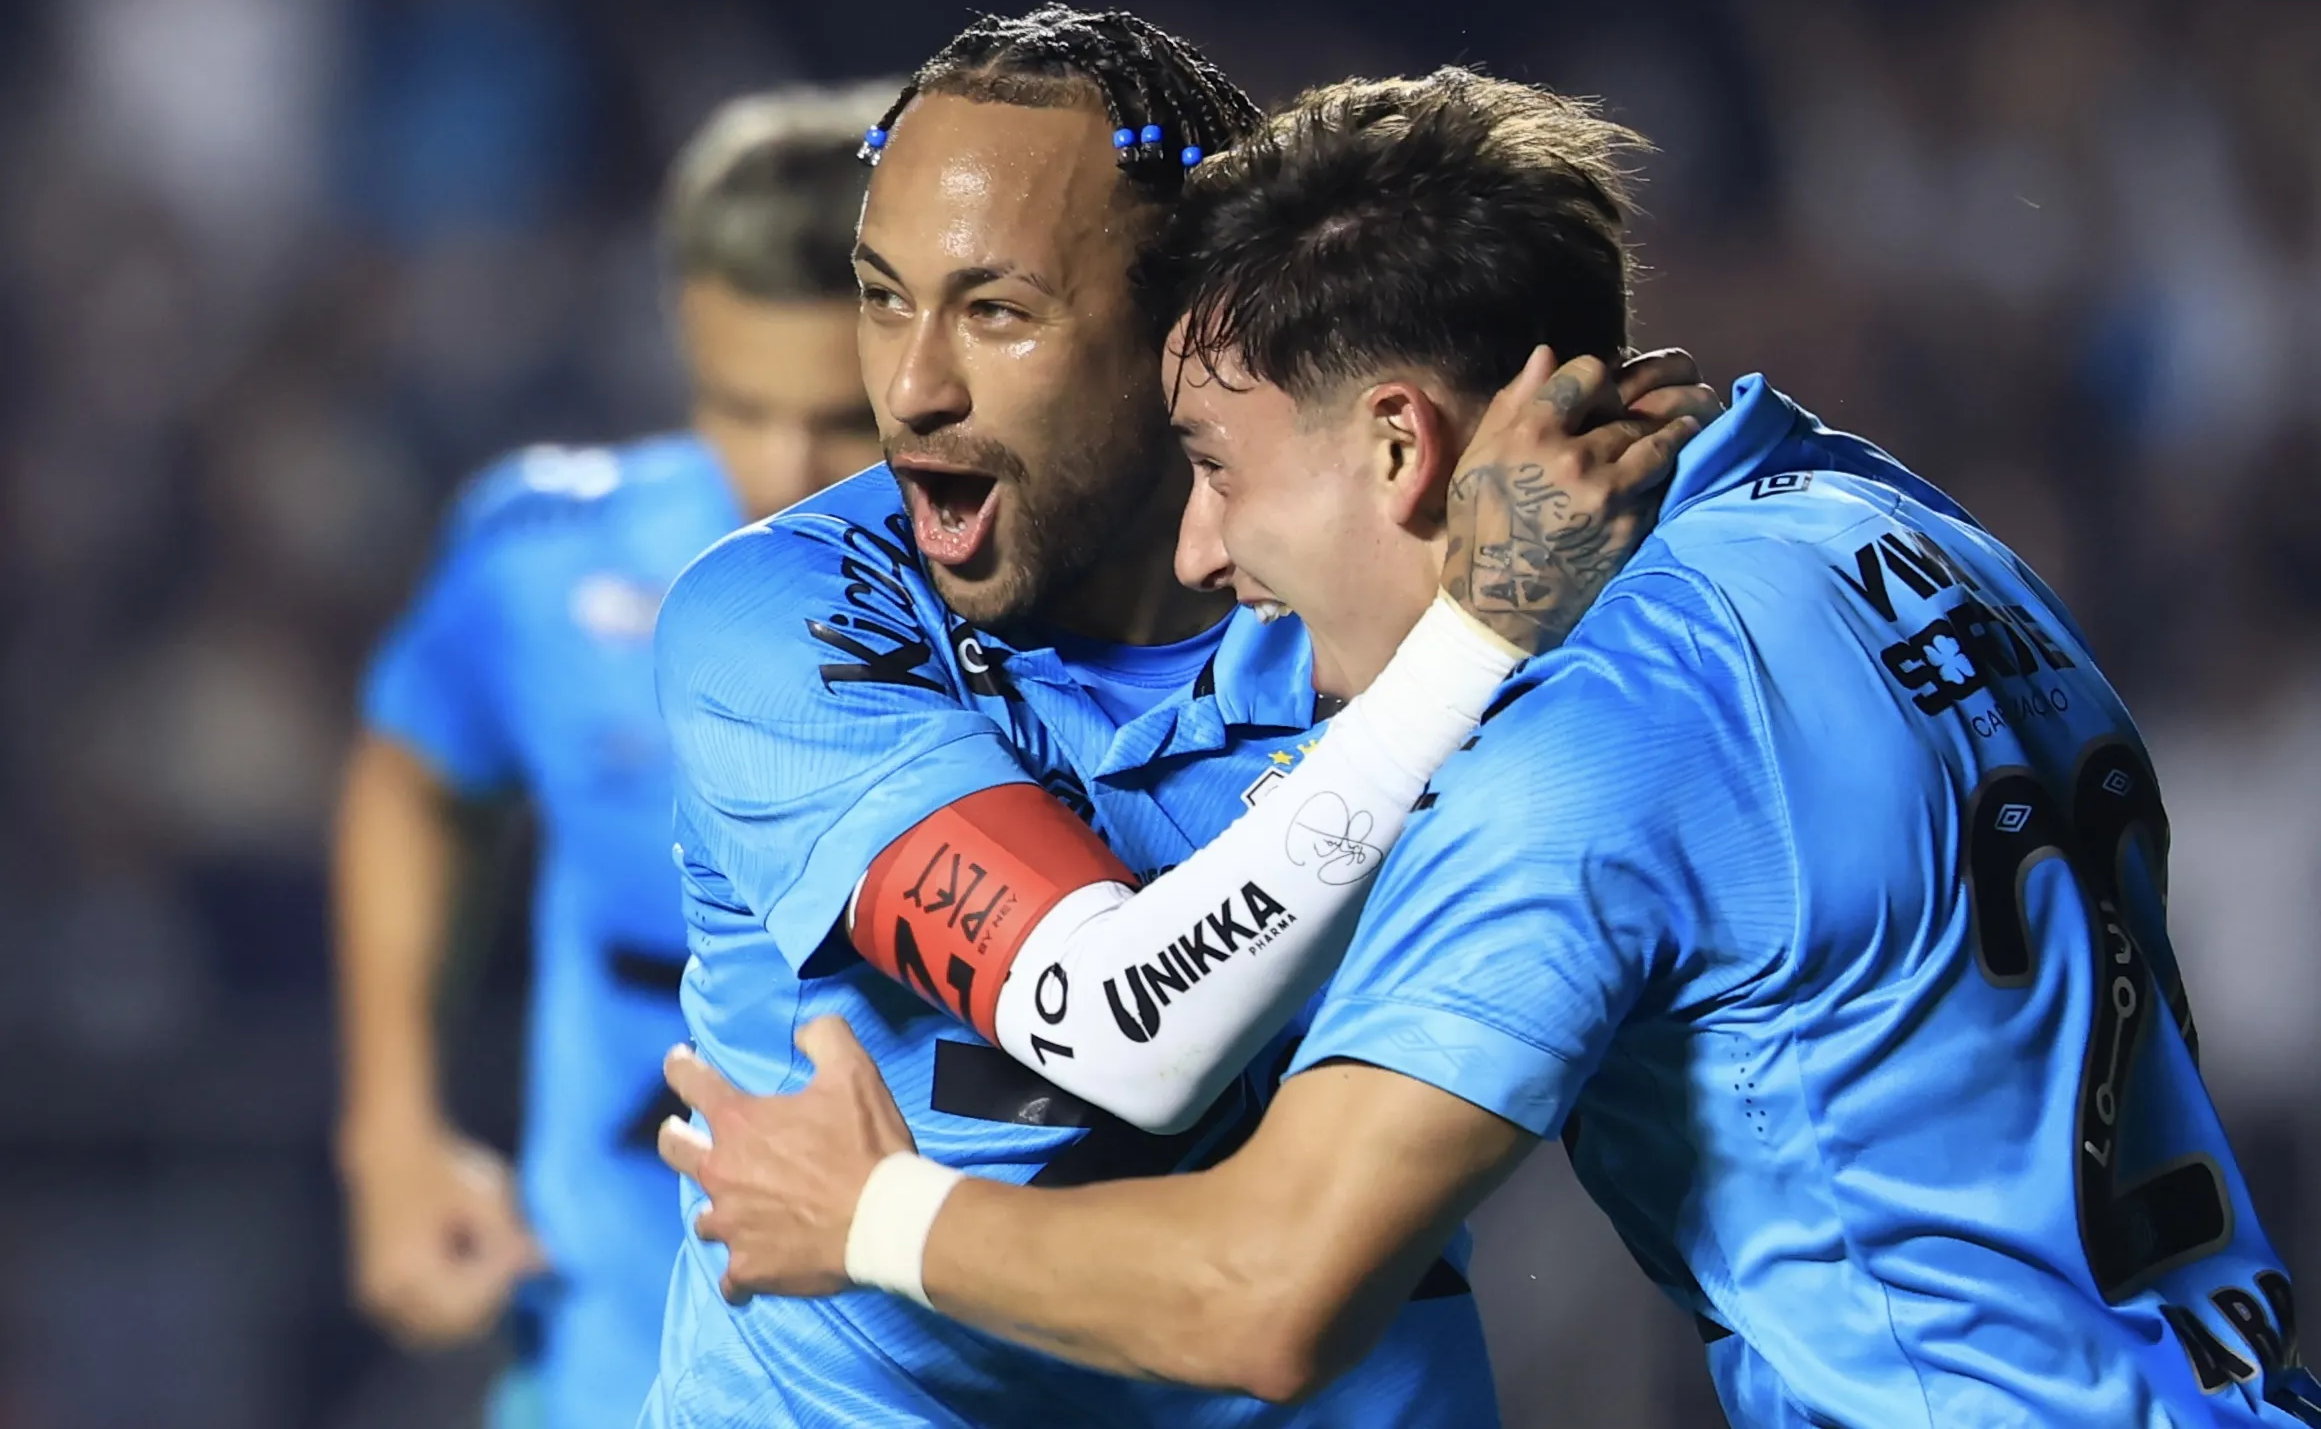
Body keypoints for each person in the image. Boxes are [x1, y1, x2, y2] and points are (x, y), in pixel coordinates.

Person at [657, 69, 2321, 1429]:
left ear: (1401, 443)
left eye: (1218, 465)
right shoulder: (1896, 521)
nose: (1202, 548)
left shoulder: (1582, 741)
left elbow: (1269, 1289)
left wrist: (873, 1215)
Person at [640, 6, 1708, 1428]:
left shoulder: (1416, 619)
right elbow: (1119, 1026)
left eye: (998, 311)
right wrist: (1473, 641)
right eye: (884, 294)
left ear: (1178, 330)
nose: (906, 387)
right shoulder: (783, 616)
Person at [331, 83, 890, 1429]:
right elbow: (415, 776)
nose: (780, 464)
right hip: (614, 1365)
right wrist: (393, 1127)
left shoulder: (1059, 603)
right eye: (734, 403)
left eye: (844, 416)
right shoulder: (549, 559)